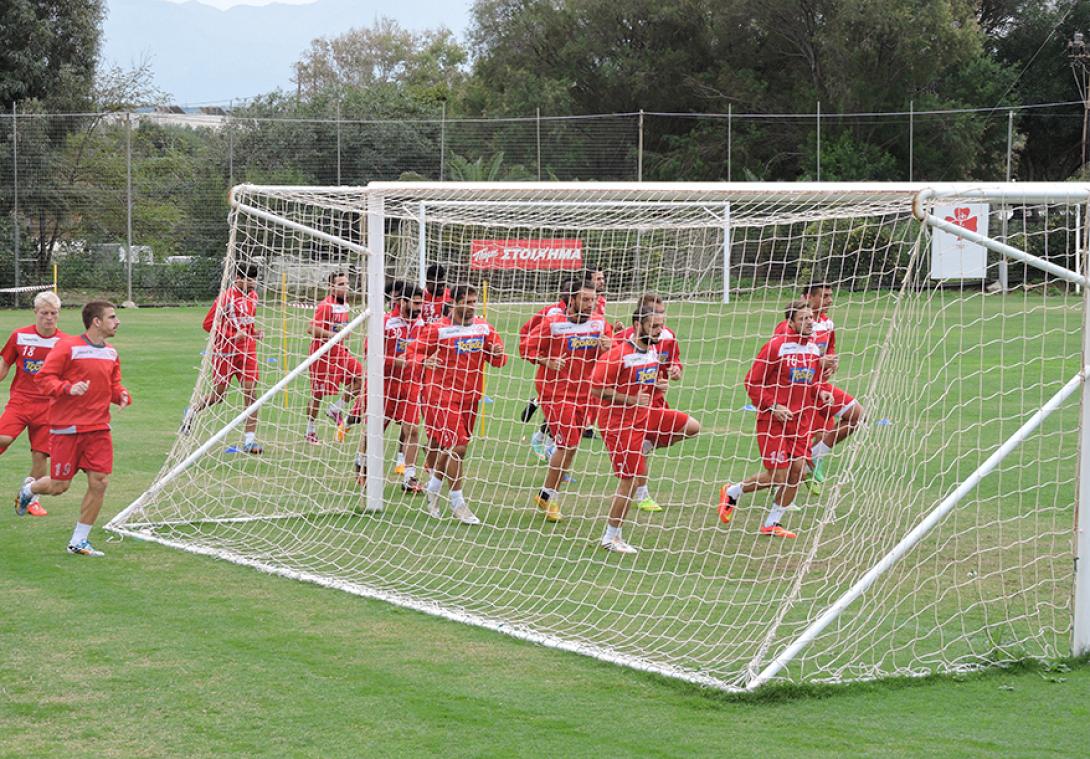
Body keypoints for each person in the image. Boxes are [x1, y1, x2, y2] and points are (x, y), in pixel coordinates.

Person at [17, 301, 131, 557]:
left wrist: (122, 395)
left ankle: (79, 541)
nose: (118, 321)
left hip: (99, 428)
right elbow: (44, 379)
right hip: (66, 428)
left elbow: (113, 385)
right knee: (59, 486)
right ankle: (30, 489)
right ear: (96, 322)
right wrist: (68, 388)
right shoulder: (68, 347)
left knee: (99, 482)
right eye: (112, 317)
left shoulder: (111, 352)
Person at [718, 300, 833, 538]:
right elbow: (751, 381)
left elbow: (812, 381)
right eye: (803, 318)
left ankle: (772, 523)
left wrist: (821, 390)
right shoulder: (776, 347)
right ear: (790, 322)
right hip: (773, 421)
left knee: (799, 473)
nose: (810, 322)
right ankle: (733, 491)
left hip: (800, 422)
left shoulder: (813, 349)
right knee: (778, 476)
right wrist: (773, 406)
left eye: (811, 317)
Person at [590, 304, 695, 555]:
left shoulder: (652, 351)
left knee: (691, 426)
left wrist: (659, 385)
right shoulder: (617, 355)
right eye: (655, 326)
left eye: (661, 325)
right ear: (638, 326)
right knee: (630, 480)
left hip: (645, 417)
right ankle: (611, 537)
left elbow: (645, 381)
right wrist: (630, 400)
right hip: (619, 424)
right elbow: (595, 390)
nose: (660, 331)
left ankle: (646, 445)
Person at [406, 285, 507, 525]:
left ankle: (433, 489)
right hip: (440, 395)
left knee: (453, 448)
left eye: (474, 302)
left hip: (470, 396)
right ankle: (458, 503)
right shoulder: (437, 329)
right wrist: (424, 360)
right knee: (458, 446)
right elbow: (411, 353)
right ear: (454, 303)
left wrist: (496, 352)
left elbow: (500, 362)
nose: (472, 306)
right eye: (467, 302)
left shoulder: (484, 328)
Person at [522, 279, 613, 522]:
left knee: (571, 447)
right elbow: (525, 347)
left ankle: (545, 494)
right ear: (571, 300)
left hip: (587, 393)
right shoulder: (553, 323)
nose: (589, 304)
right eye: (584, 299)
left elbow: (612, 357)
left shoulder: (600, 324)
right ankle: (551, 500)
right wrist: (546, 361)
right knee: (567, 443)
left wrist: (608, 348)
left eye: (593, 300)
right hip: (556, 392)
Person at [771, 283, 864, 492]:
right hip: (795, 391)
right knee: (792, 441)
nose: (829, 300)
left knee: (856, 416)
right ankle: (779, 488)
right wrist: (816, 364)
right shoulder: (787, 327)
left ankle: (813, 461)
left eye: (831, 296)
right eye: (824, 296)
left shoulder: (828, 324)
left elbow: (829, 350)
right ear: (808, 297)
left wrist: (832, 362)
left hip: (819, 388)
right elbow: (779, 359)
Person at [611, 292, 697, 513]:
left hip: (656, 402)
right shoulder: (623, 339)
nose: (660, 319)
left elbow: (673, 361)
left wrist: (675, 371)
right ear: (641, 318)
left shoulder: (668, 336)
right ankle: (642, 495)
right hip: (629, 407)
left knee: (691, 428)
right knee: (633, 458)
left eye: (662, 313)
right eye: (655, 314)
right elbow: (611, 372)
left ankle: (645, 448)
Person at [354, 282, 427, 495]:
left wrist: (422, 360)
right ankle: (362, 462)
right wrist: (397, 362)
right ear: (402, 301)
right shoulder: (385, 322)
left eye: (421, 303)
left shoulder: (422, 325)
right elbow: (371, 354)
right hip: (383, 383)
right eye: (415, 303)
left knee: (412, 429)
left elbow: (425, 351)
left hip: (411, 383)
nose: (419, 307)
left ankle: (409, 477)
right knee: (375, 430)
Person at [183, 263, 264, 453]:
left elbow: (248, 324)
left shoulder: (254, 297)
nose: (252, 284)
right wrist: (230, 335)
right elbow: (207, 324)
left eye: (254, 280)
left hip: (247, 351)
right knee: (218, 395)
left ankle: (249, 441)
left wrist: (254, 333)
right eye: (249, 280)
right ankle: (192, 411)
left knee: (251, 393)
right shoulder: (225, 298)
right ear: (238, 279)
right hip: (225, 352)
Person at [1, 290, 68, 517]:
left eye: (53, 313)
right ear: (35, 313)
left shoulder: (65, 343)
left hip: (50, 407)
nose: (49, 317)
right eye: (44, 313)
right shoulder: (19, 336)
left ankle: (30, 499)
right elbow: (4, 365)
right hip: (21, 401)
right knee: (4, 437)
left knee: (40, 456)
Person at [517, 274, 585, 459]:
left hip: (578, 376)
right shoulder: (551, 313)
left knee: (571, 424)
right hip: (554, 376)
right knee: (562, 421)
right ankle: (550, 450)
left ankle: (541, 431)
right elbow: (526, 332)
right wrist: (542, 356)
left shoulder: (590, 314)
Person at [304, 272, 363, 444]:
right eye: (341, 284)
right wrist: (332, 335)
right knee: (317, 394)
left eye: (346, 283)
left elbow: (341, 327)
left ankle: (336, 409)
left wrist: (345, 333)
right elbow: (311, 329)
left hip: (340, 353)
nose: (346, 287)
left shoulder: (345, 304)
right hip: (322, 355)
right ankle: (310, 430)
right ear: (331, 287)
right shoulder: (325, 305)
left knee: (359, 378)